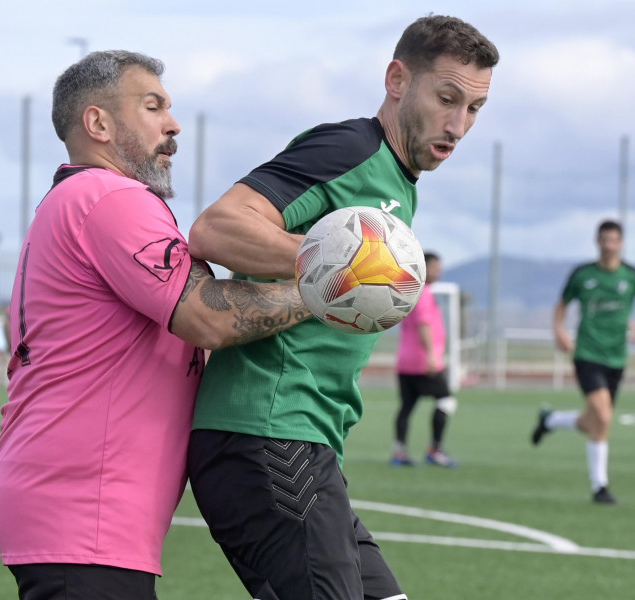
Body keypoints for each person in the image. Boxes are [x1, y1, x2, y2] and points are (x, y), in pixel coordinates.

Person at [186, 16, 498, 600]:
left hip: (309, 445)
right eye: (447, 98)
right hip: (267, 433)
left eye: (475, 108)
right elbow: (216, 229)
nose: (458, 125)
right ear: (398, 80)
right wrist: (343, 267)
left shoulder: (400, 184)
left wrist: (346, 272)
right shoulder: (351, 149)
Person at [0, 50, 310, 600]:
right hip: (83, 511)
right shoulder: (109, 196)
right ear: (98, 124)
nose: (173, 124)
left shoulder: (73, 201)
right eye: (153, 106)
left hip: (76, 511)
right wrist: (327, 290)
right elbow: (207, 316)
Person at [531, 220, 635, 505]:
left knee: (592, 422)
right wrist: (560, 331)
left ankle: (551, 421)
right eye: (604, 240)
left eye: (613, 240)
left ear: (621, 243)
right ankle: (599, 487)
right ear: (597, 242)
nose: (608, 245)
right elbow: (561, 305)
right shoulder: (583, 275)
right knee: (603, 417)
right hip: (587, 354)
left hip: (617, 358)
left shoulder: (633, 276)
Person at [390, 251, 460, 468]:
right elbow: (423, 325)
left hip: (405, 362)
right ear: (424, 267)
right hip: (422, 363)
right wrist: (432, 356)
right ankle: (435, 450)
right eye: (436, 268)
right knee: (446, 400)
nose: (439, 272)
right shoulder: (423, 292)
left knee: (407, 406)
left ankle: (399, 451)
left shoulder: (411, 291)